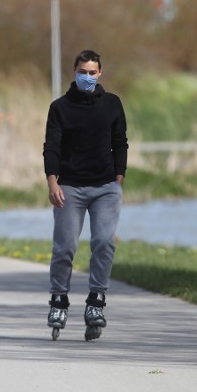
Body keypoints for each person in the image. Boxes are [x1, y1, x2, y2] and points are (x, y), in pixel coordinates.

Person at [43, 49, 128, 341]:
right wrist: (53, 183)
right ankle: (58, 300)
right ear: (74, 72)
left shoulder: (112, 104)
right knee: (65, 246)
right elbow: (51, 147)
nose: (88, 77)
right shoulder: (60, 108)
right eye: (83, 72)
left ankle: (96, 301)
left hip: (105, 187)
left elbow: (121, 144)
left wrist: (118, 180)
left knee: (103, 241)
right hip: (70, 187)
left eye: (93, 73)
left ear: (100, 73)